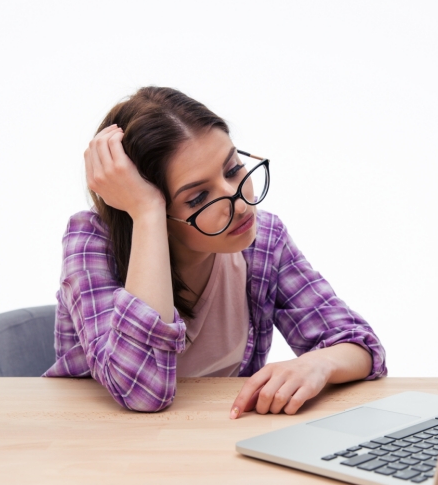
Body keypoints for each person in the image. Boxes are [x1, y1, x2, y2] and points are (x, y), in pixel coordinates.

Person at [44, 87, 387, 417]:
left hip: (215, 440)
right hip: (102, 450)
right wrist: (147, 212)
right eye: (197, 198)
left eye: (233, 169)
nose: (238, 203)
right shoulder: (91, 241)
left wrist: (319, 363)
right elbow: (141, 394)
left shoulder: (264, 241)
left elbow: (362, 347)